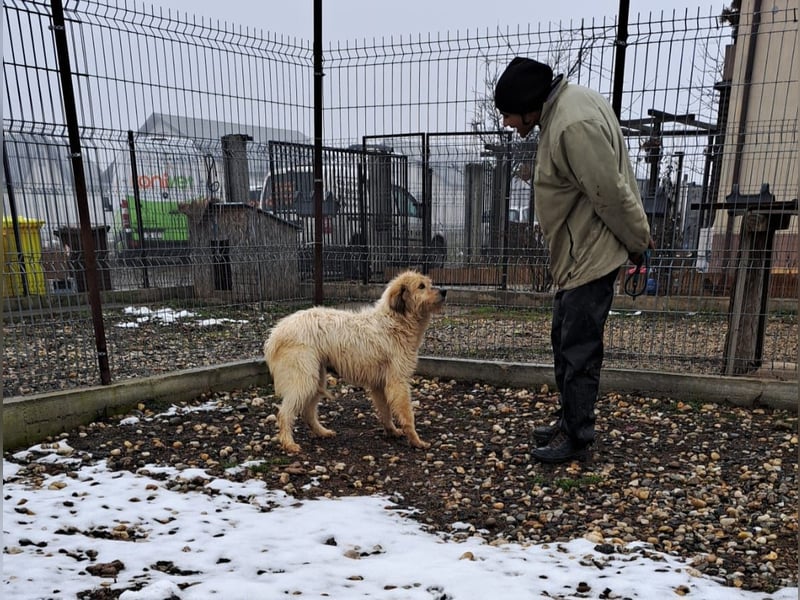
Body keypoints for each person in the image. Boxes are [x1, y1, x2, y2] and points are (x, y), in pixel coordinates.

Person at [493, 57, 653, 464]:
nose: (509, 123)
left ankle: (578, 438)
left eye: (510, 114)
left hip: (590, 254)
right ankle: (569, 420)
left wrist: (637, 240)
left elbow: (609, 193)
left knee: (579, 348)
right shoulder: (565, 111)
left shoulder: (571, 124)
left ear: (529, 104)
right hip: (578, 251)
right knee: (564, 340)